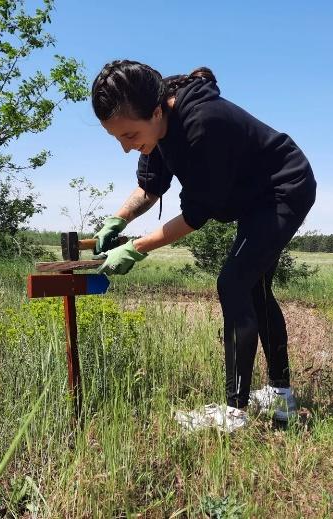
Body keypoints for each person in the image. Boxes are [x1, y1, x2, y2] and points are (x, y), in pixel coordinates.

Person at [90, 60, 316, 429]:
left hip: (283, 188)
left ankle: (235, 414)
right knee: (254, 286)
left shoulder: (202, 125)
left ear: (157, 110)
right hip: (254, 195)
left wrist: (136, 247)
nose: (126, 148)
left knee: (234, 283)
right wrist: (119, 219)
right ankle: (281, 398)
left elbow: (196, 215)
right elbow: (150, 188)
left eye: (129, 136)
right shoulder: (157, 131)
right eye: (117, 139)